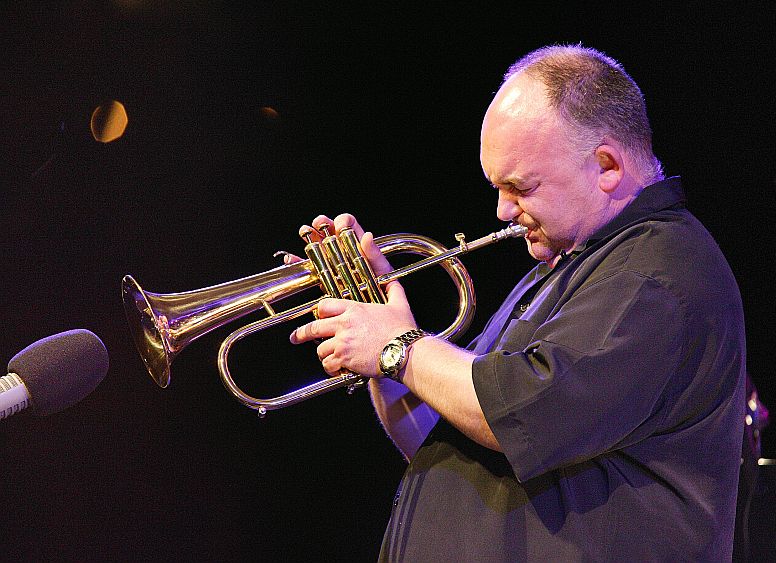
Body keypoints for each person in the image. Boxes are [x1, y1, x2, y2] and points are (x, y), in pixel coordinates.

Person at [290, 45, 746, 561]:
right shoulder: (560, 271)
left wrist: (400, 348)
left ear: (607, 165)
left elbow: (515, 415)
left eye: (520, 187)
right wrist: (375, 324)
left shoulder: (655, 273)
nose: (504, 210)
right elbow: (442, 441)